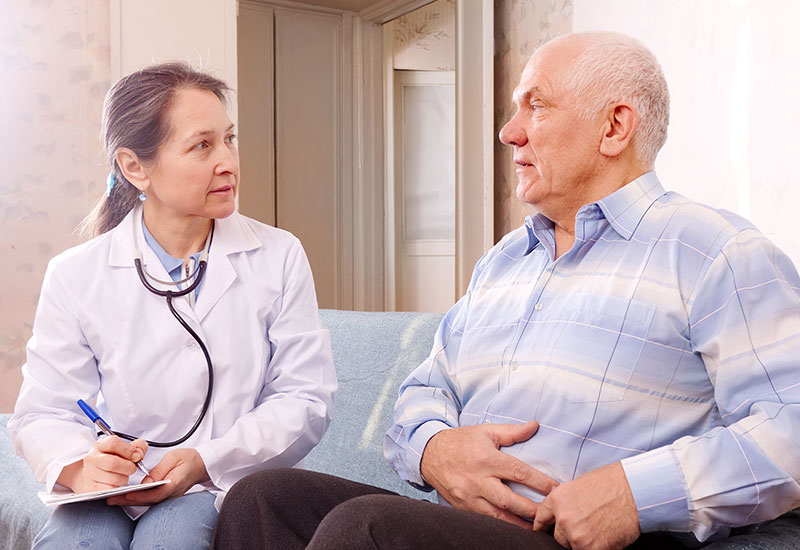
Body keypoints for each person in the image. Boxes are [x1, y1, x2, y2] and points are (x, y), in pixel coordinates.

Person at [210, 31, 800, 550]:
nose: (508, 132)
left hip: (582, 541)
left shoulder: (715, 252)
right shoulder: (504, 261)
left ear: (615, 127)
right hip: (466, 528)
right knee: (262, 498)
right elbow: (425, 390)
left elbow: (791, 427)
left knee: (364, 530)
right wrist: (433, 449)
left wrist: (633, 493)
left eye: (535, 107)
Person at [9, 62, 337, 550]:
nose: (228, 162)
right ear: (134, 167)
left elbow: (305, 398)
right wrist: (81, 467)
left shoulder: (278, 255)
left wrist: (205, 460)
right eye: (202, 145)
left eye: (229, 139)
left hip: (221, 479)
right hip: (111, 489)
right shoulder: (76, 273)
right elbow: (44, 411)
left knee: (169, 540)